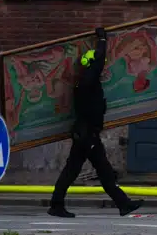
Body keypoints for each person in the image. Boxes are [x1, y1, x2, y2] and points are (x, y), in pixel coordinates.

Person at [50, 29, 145, 219]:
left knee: (88, 170)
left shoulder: (85, 81)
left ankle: (122, 203)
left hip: (85, 134)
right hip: (87, 135)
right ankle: (122, 204)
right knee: (97, 170)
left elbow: (98, 62)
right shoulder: (88, 81)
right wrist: (102, 39)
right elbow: (99, 60)